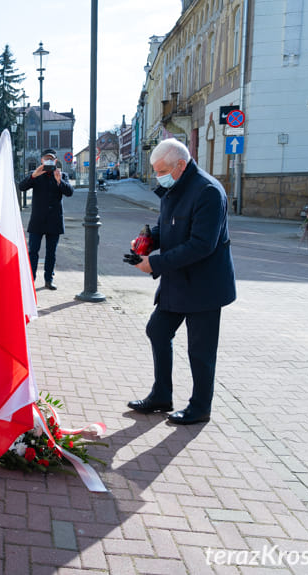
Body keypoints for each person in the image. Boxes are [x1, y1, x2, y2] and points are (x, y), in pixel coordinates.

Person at [127, 138, 236, 425]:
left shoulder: (208, 191)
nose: (158, 177)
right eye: (155, 171)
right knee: (158, 330)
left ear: (181, 164)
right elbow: (168, 227)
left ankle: (200, 407)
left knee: (200, 350)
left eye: (162, 170)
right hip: (178, 281)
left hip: (205, 286)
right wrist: (147, 241)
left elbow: (201, 244)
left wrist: (156, 263)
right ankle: (162, 395)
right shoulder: (174, 187)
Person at [17, 148, 74, 290]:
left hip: (54, 221)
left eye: (51, 159)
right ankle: (31, 279)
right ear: (42, 160)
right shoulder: (36, 175)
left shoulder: (62, 175)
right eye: (46, 159)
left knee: (51, 252)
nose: (49, 161)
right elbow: (22, 187)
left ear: (55, 161)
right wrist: (33, 176)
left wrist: (59, 180)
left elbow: (69, 193)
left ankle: (49, 279)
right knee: (33, 251)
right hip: (37, 221)